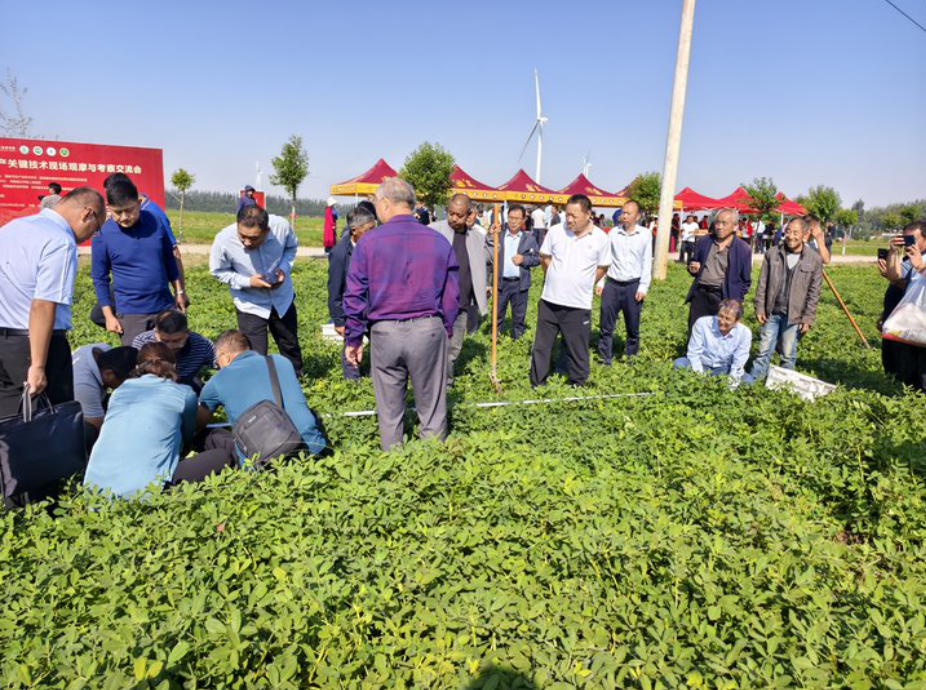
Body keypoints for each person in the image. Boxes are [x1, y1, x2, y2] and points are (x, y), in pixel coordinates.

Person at [343, 178, 460, 451]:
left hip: (385, 332)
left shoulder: (368, 243)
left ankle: (393, 463)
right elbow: (452, 293)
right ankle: (431, 463)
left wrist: (354, 338)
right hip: (428, 328)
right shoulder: (438, 240)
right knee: (432, 409)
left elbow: (355, 294)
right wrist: (445, 328)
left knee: (389, 411)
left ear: (385, 204)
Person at [0, 188, 105, 417]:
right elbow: (43, 305)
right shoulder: (61, 241)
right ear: (87, 214)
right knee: (47, 423)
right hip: (36, 346)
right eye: (96, 228)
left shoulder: (11, 229)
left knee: (7, 420)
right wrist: (38, 365)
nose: (90, 235)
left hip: (4, 343)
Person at [83, 343, 236, 498]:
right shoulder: (184, 393)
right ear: (174, 366)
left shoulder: (119, 392)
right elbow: (188, 436)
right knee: (222, 456)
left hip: (94, 491)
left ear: (137, 367)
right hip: (146, 489)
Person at [197, 330, 327, 462]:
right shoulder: (280, 361)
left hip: (264, 461)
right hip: (312, 448)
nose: (218, 367)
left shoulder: (217, 381)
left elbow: (199, 423)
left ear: (225, 357)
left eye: (217, 362)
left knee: (209, 436)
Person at [210, 205, 302, 375]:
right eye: (242, 236)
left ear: (266, 231)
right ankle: (259, 385)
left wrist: (283, 269)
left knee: (289, 343)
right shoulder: (224, 240)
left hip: (281, 299)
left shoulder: (281, 227)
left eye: (253, 238)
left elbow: (291, 248)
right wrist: (248, 282)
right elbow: (218, 271)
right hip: (250, 304)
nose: (246, 242)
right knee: (255, 353)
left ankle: (296, 378)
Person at [530, 194, 611, 387]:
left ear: (588, 214)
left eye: (574, 215)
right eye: (567, 214)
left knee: (577, 349)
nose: (569, 219)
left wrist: (584, 282)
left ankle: (578, 385)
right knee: (542, 346)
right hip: (549, 301)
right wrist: (555, 277)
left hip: (578, 304)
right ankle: (537, 383)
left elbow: (603, 266)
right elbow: (545, 257)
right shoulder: (556, 231)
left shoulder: (600, 238)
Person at [91, 178, 185, 346]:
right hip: (132, 313)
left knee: (171, 355)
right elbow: (100, 278)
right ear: (109, 207)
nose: (125, 217)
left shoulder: (155, 221)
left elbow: (169, 259)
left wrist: (179, 291)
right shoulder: (103, 235)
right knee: (136, 358)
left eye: (130, 210)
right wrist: (108, 315)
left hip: (164, 305)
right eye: (118, 212)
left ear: (139, 203)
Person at [749, 217, 823, 380]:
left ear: (804, 235)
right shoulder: (772, 254)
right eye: (788, 231)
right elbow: (762, 283)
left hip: (794, 316)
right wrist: (759, 307)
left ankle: (782, 385)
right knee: (763, 351)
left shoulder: (814, 259)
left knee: (788, 354)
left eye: (795, 232)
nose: (790, 236)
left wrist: (808, 318)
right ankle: (753, 383)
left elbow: (814, 293)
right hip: (771, 312)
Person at [430, 194, 488, 385]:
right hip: (436, 302)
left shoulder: (477, 237)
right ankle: (435, 383)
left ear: (470, 214)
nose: (454, 218)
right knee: (434, 344)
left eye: (459, 215)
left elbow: (490, 257)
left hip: (461, 301)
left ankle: (445, 382)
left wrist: (493, 238)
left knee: (454, 347)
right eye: (451, 213)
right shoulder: (433, 230)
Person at [596, 200, 652, 364]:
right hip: (612, 284)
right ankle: (604, 358)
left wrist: (643, 286)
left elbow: (647, 261)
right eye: (623, 212)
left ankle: (631, 359)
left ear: (638, 216)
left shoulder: (645, 235)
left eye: (628, 213)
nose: (624, 216)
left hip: (633, 285)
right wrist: (600, 282)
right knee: (606, 325)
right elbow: (605, 258)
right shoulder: (613, 233)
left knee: (633, 326)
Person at [327, 206, 376, 379]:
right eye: (368, 230)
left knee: (381, 347)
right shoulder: (340, 253)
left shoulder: (375, 247)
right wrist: (339, 320)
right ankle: (352, 384)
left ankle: (377, 380)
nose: (373, 233)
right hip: (352, 311)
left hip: (374, 308)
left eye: (374, 228)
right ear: (354, 230)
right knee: (351, 348)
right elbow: (335, 289)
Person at [685, 208, 752, 334]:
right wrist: (692, 267)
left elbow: (746, 281)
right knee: (695, 331)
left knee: (719, 334)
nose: (719, 227)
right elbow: (693, 262)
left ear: (735, 226)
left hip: (724, 297)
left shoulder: (743, 249)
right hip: (700, 294)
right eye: (717, 222)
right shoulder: (704, 241)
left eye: (724, 223)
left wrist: (735, 300)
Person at [882, 220, 926, 390]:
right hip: (912, 323)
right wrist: (893, 252)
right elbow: (894, 276)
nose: (908, 243)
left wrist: (920, 266)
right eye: (905, 239)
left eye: (912, 239)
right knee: (908, 371)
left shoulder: (919, 260)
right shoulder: (914, 258)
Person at [487, 204, 540, 340]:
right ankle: (494, 340)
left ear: (523, 220)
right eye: (511, 217)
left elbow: (537, 258)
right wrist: (490, 234)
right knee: (497, 314)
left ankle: (517, 342)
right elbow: (487, 251)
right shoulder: (499, 235)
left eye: (517, 218)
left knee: (519, 316)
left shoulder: (529, 239)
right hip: (501, 283)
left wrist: (524, 259)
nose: (513, 221)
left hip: (519, 284)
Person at [673, 299, 754, 387]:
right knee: (679, 363)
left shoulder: (744, 333)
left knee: (748, 381)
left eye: (727, 319)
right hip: (701, 364)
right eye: (720, 316)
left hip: (724, 369)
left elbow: (738, 363)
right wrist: (700, 378)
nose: (722, 321)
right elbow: (693, 353)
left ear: (737, 321)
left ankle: (718, 386)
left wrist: (730, 388)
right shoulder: (702, 323)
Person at [72, 344, 137, 451]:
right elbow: (98, 424)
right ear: (108, 374)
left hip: (93, 398)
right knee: (89, 430)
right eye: (126, 383)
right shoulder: (85, 385)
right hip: (67, 418)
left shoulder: (104, 350)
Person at [132, 309, 216, 390]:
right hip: (151, 385)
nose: (170, 346)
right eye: (164, 340)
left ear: (187, 333)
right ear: (156, 333)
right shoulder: (142, 342)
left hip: (188, 384)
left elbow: (217, 369)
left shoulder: (202, 344)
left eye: (177, 340)